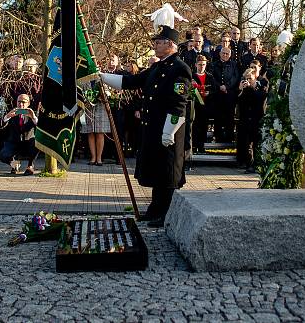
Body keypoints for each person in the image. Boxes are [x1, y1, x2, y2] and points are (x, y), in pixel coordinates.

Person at [100, 24, 192, 228]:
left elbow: (179, 103)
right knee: (158, 170)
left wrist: (169, 130)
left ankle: (165, 212)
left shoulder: (180, 68)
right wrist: (103, 77)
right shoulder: (157, 67)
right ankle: (156, 208)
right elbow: (131, 81)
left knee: (168, 173)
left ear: (170, 44)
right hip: (153, 128)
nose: (155, 46)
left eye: (158, 42)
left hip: (168, 130)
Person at [236, 65, 268, 171]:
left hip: (256, 117)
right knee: (246, 143)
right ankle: (249, 163)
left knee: (256, 142)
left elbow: (260, 98)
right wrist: (241, 91)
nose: (248, 81)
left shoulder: (261, 86)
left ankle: (257, 164)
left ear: (255, 77)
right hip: (245, 118)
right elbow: (239, 102)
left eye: (250, 78)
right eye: (246, 79)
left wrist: (250, 88)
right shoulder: (244, 89)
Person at [0, 94, 38, 174]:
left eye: (24, 102)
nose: (21, 104)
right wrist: (8, 116)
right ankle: (14, 164)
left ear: (28, 103)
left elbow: (40, 126)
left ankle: (30, 165)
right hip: (14, 142)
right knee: (2, 154)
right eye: (19, 101)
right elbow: (0, 125)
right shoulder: (11, 112)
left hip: (28, 142)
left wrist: (33, 117)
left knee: (36, 143)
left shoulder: (33, 113)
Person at [211, 46, 240, 143]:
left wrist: (226, 87)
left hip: (230, 94)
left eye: (227, 54)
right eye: (223, 53)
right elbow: (212, 78)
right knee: (218, 116)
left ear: (230, 55)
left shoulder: (234, 65)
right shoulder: (214, 64)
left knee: (229, 117)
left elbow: (235, 77)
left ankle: (229, 138)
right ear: (220, 54)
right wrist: (220, 86)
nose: (225, 55)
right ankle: (218, 137)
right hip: (217, 94)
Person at [191, 54, 216, 155]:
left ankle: (201, 147)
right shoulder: (192, 76)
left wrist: (209, 93)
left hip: (206, 106)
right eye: (200, 64)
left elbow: (214, 90)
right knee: (194, 127)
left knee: (203, 127)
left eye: (204, 65)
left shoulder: (210, 77)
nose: (202, 67)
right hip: (195, 106)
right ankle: (194, 147)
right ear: (196, 64)